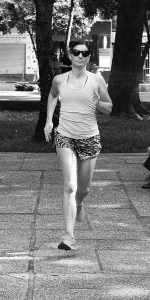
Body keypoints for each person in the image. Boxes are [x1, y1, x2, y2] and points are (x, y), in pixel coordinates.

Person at [44, 39, 113, 251]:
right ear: (70, 55)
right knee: (70, 186)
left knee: (83, 189)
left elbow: (109, 108)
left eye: (84, 53)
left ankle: (80, 203)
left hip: (89, 138)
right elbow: (52, 96)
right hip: (65, 136)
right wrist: (49, 120)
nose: (80, 56)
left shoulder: (97, 80)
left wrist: (98, 103)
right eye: (76, 52)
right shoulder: (59, 80)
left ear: (89, 56)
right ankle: (69, 236)